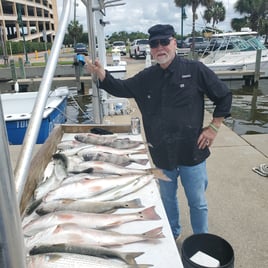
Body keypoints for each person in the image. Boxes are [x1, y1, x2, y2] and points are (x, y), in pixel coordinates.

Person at [87, 24, 232, 242]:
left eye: (164, 42)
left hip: (193, 151)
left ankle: (201, 240)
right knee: (167, 199)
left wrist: (213, 127)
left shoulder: (195, 70)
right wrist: (101, 74)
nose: (160, 48)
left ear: (174, 43)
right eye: (154, 44)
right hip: (162, 154)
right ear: (151, 48)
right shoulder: (146, 76)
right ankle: (173, 234)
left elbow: (224, 95)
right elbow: (120, 88)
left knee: (198, 202)